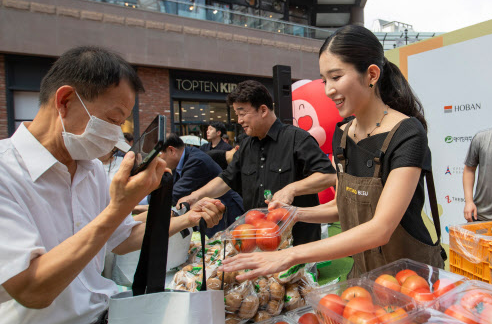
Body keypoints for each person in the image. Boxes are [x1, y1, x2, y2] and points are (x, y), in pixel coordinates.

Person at [0, 46, 224, 324]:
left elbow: (122, 236)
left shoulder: (89, 171)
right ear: (65, 101)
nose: (117, 135)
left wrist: (185, 217)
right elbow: (32, 288)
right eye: (113, 119)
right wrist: (118, 206)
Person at [219, 25, 446, 281]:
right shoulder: (343, 134)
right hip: (364, 273)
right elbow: (343, 207)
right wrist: (290, 215)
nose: (328, 90)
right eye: (325, 80)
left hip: (409, 278)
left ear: (371, 74)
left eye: (336, 77)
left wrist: (291, 255)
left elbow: (381, 228)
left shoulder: (407, 133)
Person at [179, 80, 336, 246]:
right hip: (257, 240)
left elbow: (328, 175)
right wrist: (194, 196)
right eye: (236, 115)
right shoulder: (247, 145)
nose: (238, 120)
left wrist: (292, 189)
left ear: (263, 110)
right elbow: (225, 180)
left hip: (298, 241)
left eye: (242, 113)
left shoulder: (297, 139)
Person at [160, 133, 244, 237]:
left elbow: (174, 195)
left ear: (171, 150)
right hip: (209, 212)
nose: (158, 161)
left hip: (225, 213)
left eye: (159, 155)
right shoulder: (182, 161)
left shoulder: (195, 161)